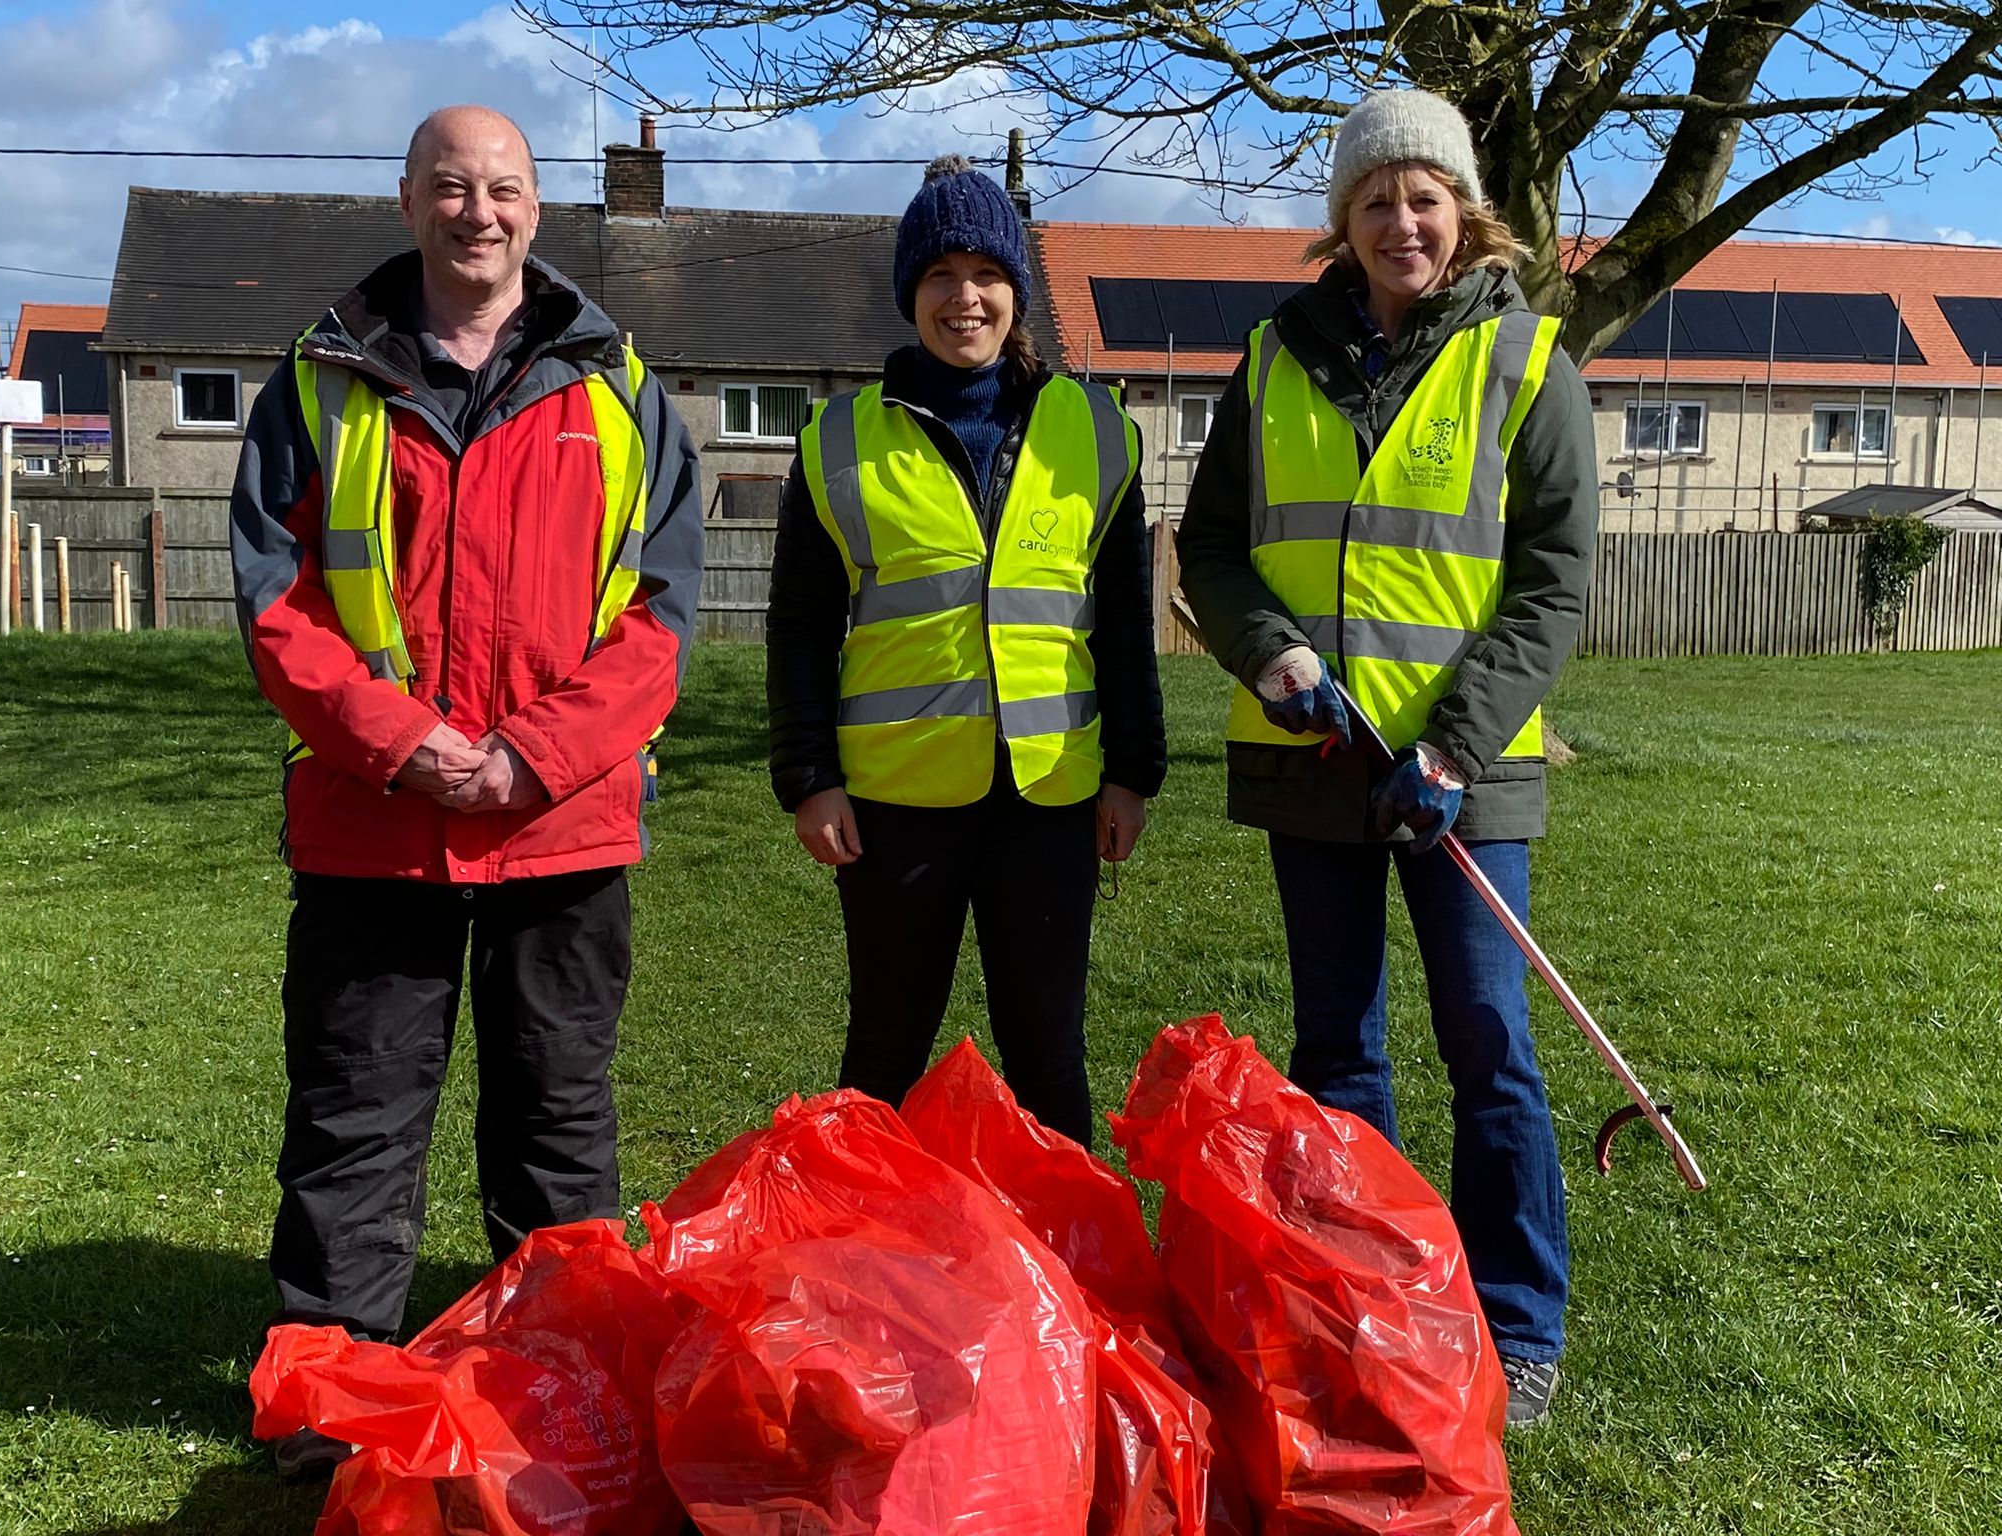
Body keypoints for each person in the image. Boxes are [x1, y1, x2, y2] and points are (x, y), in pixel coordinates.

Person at [229, 104, 703, 1475]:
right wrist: (402, 743)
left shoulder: (621, 388)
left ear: (538, 209)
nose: (476, 210)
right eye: (450, 186)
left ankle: (567, 1386)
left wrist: (527, 758)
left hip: (563, 827)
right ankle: (325, 1408)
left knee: (559, 1128)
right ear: (408, 201)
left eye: (500, 187)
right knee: (352, 1122)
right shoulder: (316, 380)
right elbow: (277, 606)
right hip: (376, 824)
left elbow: (663, 618)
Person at [1175, 88, 1599, 1428]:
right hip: (1315, 767)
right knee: (1338, 1050)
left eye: (1424, 197)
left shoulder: (1530, 363)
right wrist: (1270, 655)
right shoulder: (1272, 357)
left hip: (1462, 778)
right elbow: (1212, 549)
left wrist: (1458, 745)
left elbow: (1551, 585)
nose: (1400, 220)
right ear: (1343, 225)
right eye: (1375, 200)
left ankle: (1520, 1328)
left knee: (1490, 1045)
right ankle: (1369, 1298)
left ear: (1463, 214)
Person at [765, 154, 1166, 1148]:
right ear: (910, 294)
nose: (963, 297)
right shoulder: (836, 443)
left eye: (984, 273)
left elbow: (1123, 620)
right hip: (893, 805)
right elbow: (799, 632)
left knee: (1048, 1052)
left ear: (1014, 291)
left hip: (1050, 799)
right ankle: (857, 1270)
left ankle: (1072, 1279)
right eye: (938, 276)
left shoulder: (1098, 432)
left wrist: (1133, 774)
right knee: (883, 1052)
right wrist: (809, 777)